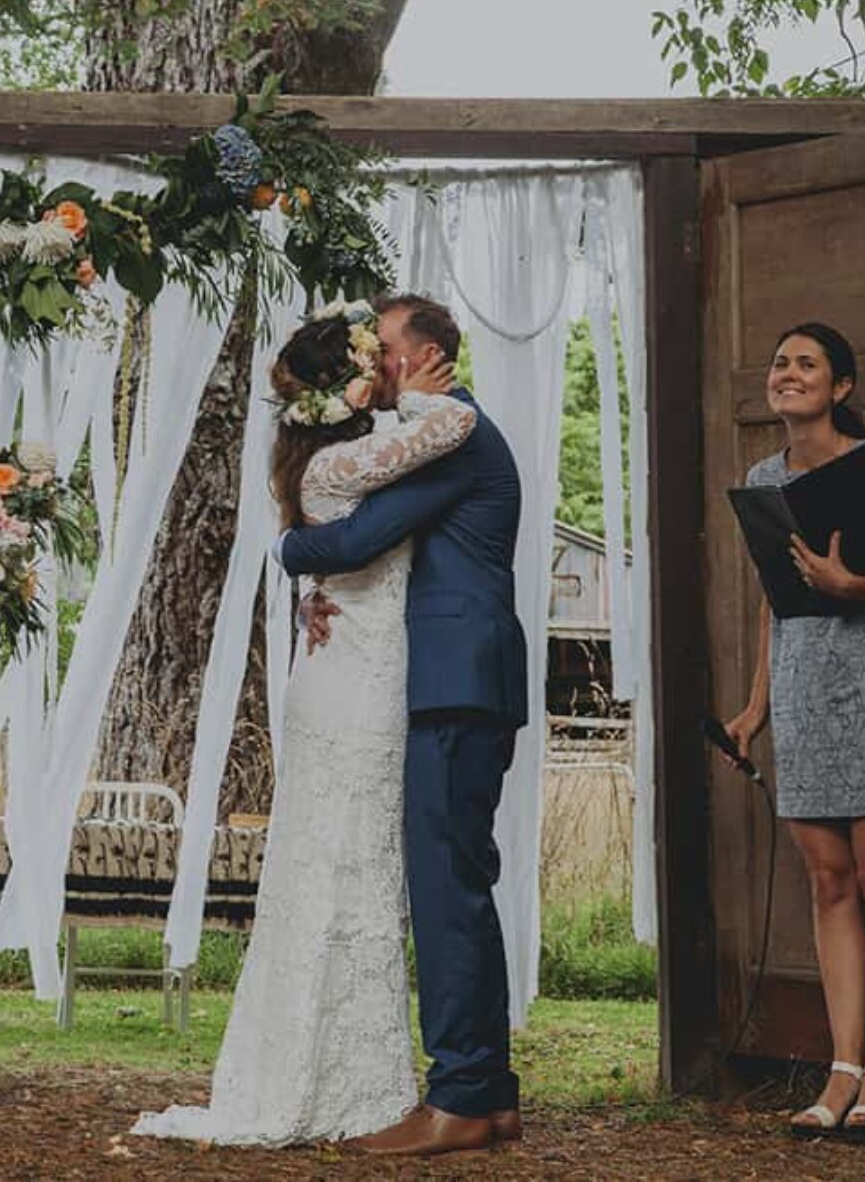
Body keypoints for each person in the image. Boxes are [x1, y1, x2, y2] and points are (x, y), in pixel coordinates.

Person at [133, 300, 474, 1146]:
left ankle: (346, 1067)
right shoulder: (343, 464)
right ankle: (332, 1079)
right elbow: (456, 422)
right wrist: (428, 389)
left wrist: (298, 570)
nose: (384, 371)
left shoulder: (328, 463)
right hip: (357, 686)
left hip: (351, 670)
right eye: (369, 361)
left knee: (349, 870)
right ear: (339, 388)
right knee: (341, 872)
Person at [286, 293, 527, 1156]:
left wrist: (285, 552)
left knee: (444, 888)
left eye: (379, 347)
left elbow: (356, 540)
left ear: (423, 354)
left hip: (457, 680)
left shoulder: (453, 430)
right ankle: (488, 1091)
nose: (369, 364)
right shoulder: (434, 432)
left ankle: (460, 1094)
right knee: (458, 881)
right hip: (455, 679)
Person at [720, 323, 865, 1140]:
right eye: (780, 362)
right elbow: (773, 600)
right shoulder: (762, 476)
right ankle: (842, 1062)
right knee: (828, 881)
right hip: (807, 683)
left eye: (806, 363)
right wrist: (757, 707)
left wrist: (856, 582)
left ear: (841, 387)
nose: (787, 373)